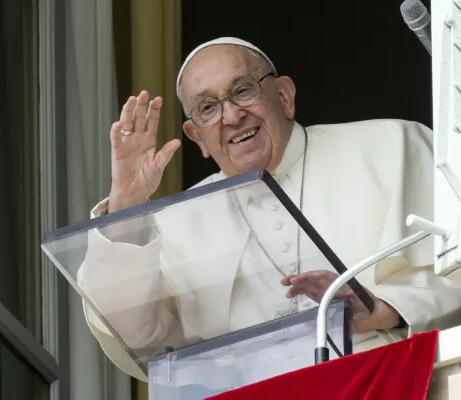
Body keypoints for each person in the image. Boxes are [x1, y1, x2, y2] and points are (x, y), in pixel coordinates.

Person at [76, 37, 461, 382]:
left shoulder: (394, 146)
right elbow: (136, 336)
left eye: (242, 91)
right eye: (207, 108)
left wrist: (383, 307)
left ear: (285, 96)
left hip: (390, 380)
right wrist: (125, 204)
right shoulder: (176, 221)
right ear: (197, 138)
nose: (230, 116)